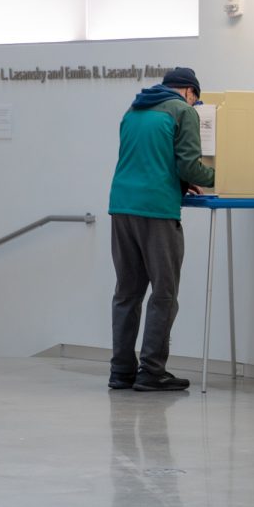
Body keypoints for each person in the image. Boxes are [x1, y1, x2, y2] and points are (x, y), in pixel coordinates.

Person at [107, 67, 215, 391]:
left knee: (127, 293)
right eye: (196, 99)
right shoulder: (183, 112)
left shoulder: (134, 109)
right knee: (164, 293)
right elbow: (189, 164)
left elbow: (148, 158)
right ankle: (152, 370)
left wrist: (182, 181)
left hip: (122, 206)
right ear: (189, 92)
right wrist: (225, 175)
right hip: (156, 210)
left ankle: (121, 371)